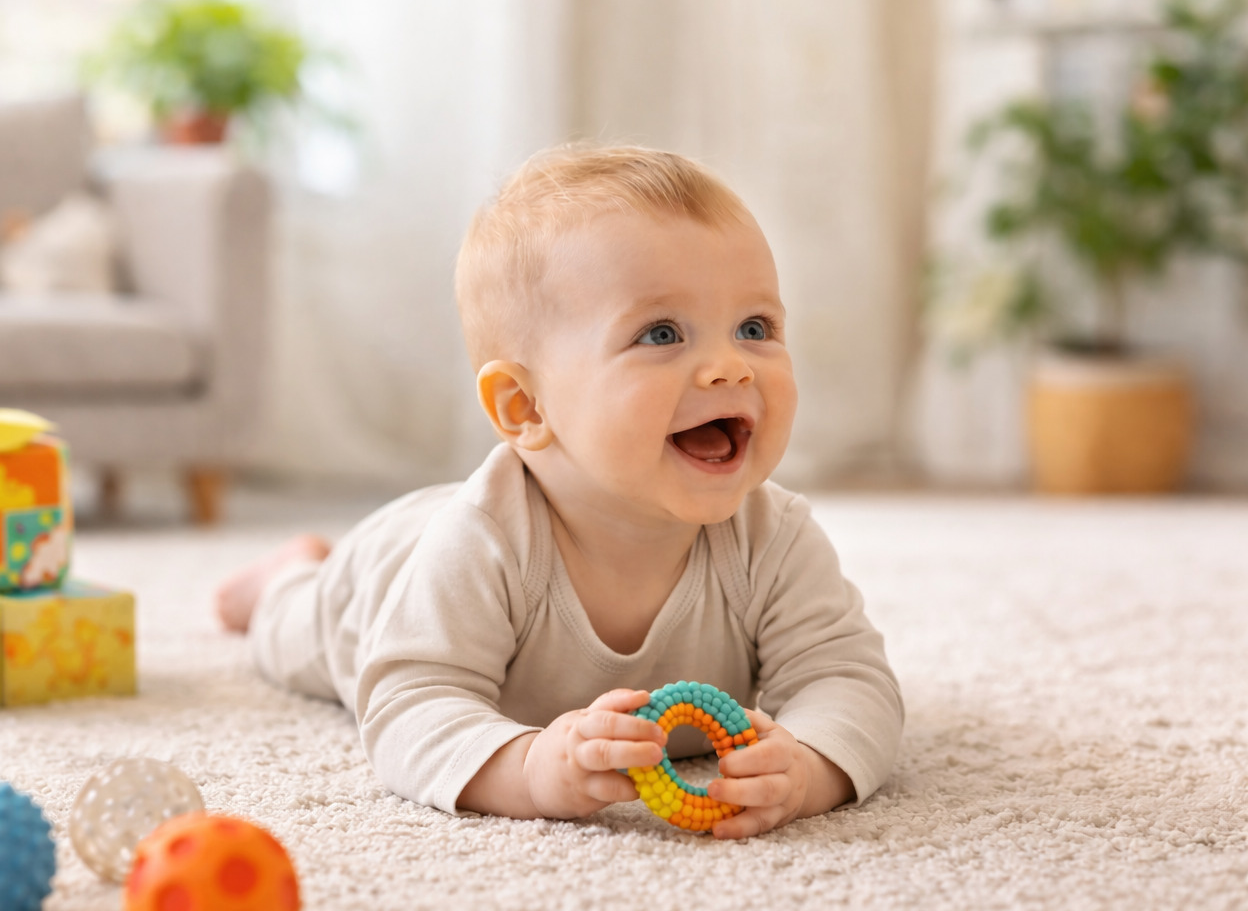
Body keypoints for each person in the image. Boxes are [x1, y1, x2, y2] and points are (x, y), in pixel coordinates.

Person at [216, 144, 903, 839]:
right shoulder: (480, 543)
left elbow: (848, 679)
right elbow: (408, 707)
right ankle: (286, 576)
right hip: (381, 576)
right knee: (289, 633)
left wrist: (810, 769)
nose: (729, 367)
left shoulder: (774, 538)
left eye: (755, 328)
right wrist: (531, 766)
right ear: (526, 407)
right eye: (662, 333)